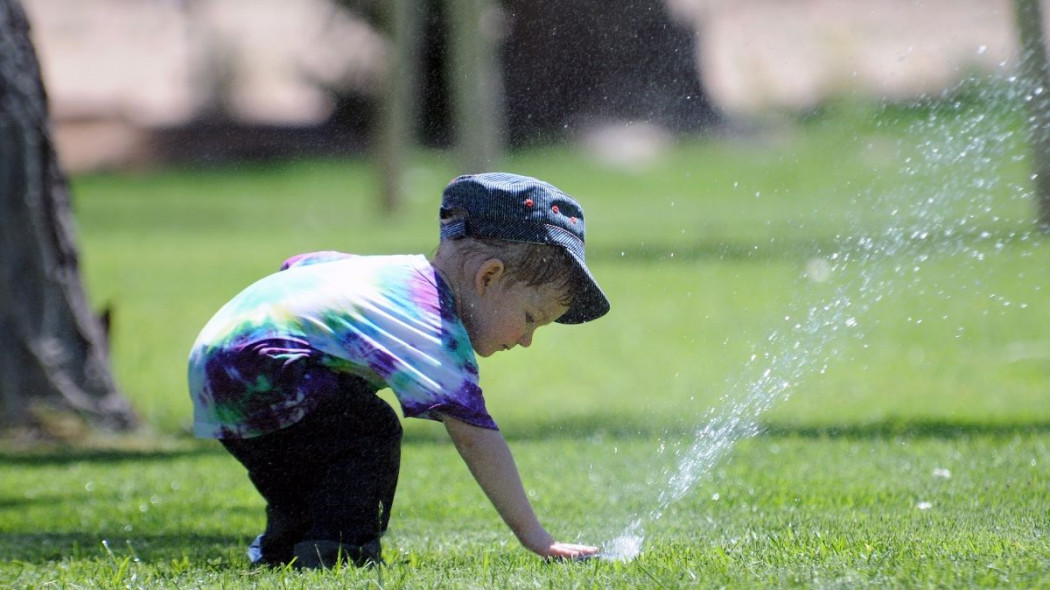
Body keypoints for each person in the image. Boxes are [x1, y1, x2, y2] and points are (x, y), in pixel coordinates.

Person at [187, 172, 610, 568]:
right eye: (531, 317)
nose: (526, 339)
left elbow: (302, 264)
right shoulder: (430, 321)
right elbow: (476, 438)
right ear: (488, 277)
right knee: (368, 430)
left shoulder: (391, 275)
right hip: (261, 365)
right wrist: (535, 536)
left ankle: (285, 550)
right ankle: (344, 550)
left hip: (221, 363)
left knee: (311, 463)